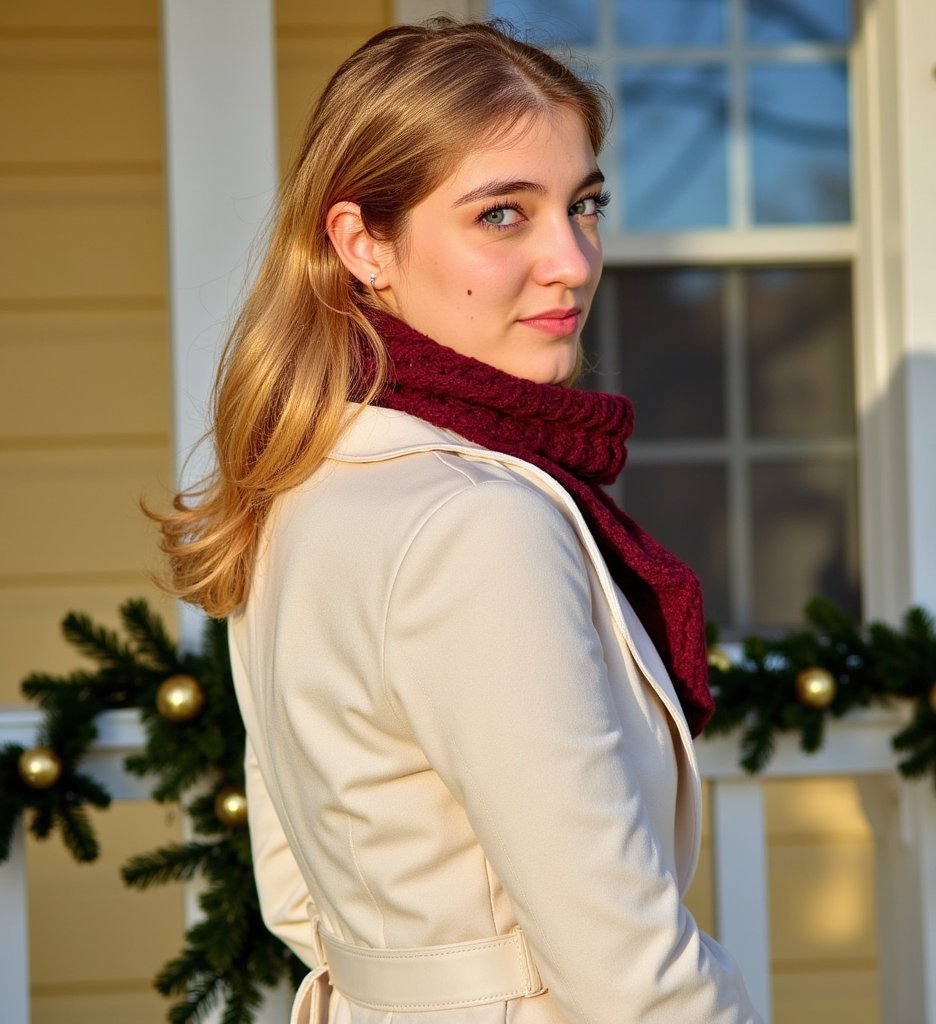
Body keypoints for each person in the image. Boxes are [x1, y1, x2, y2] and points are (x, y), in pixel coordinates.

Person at [154, 17, 762, 1024]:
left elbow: (298, 891)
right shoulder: (479, 524)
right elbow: (631, 977)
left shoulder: (301, 482)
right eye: (501, 216)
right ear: (363, 244)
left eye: (583, 204)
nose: (571, 261)